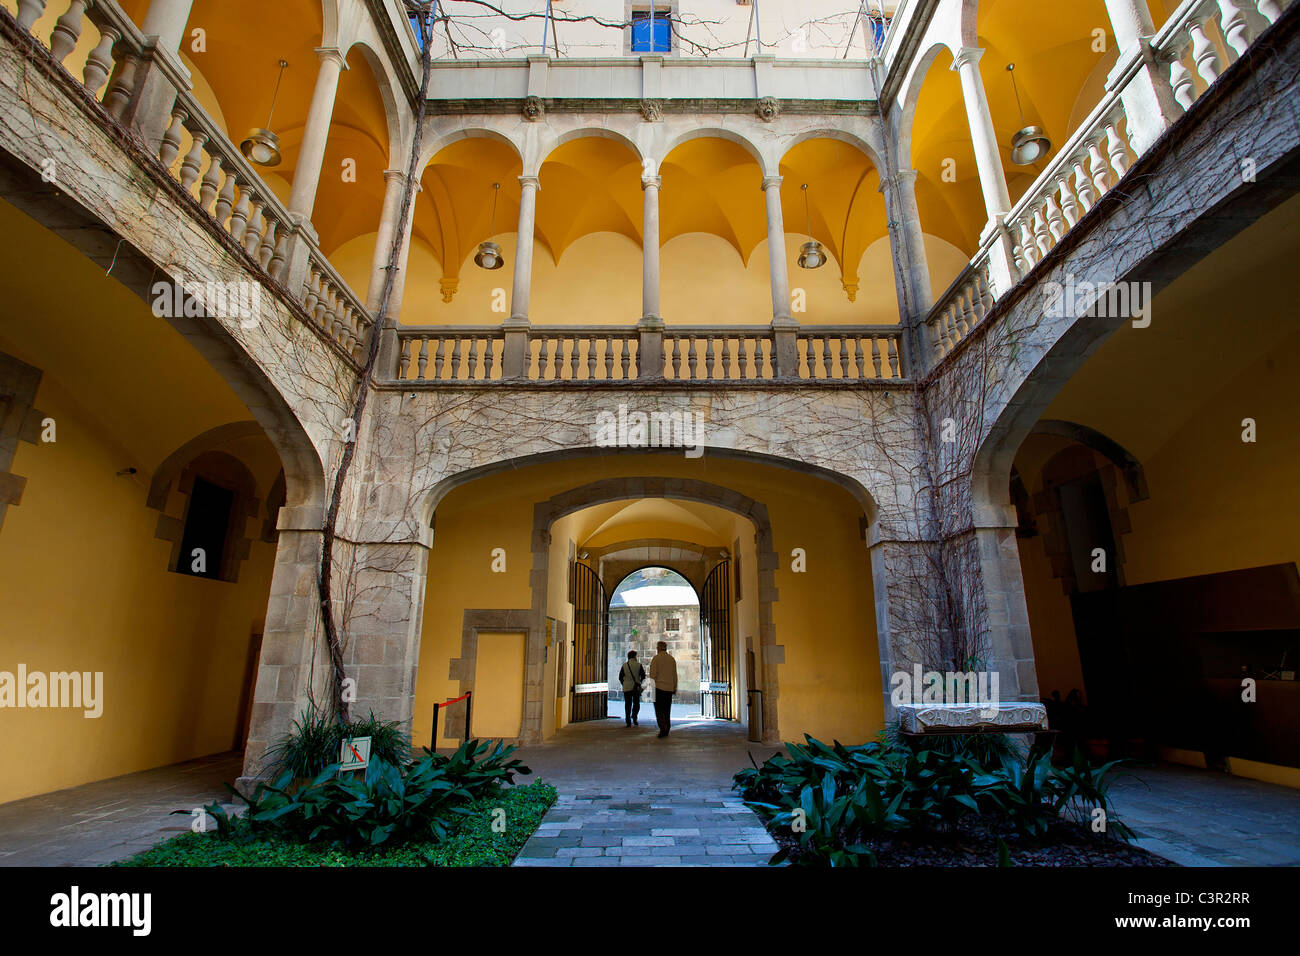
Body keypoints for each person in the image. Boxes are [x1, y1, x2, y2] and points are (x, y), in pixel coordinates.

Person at [648, 640, 678, 738]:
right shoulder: (671, 659)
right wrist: (674, 687)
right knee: (667, 709)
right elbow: (674, 675)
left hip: (659, 688)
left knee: (659, 710)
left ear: (658, 648)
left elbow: (653, 675)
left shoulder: (656, 659)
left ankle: (662, 728)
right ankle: (667, 727)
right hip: (669, 688)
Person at [619, 650, 645, 727]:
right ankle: (634, 717)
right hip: (635, 687)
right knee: (636, 703)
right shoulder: (639, 665)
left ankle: (628, 720)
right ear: (635, 656)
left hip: (627, 687)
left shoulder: (624, 665)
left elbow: (620, 677)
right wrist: (640, 684)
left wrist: (624, 683)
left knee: (628, 704)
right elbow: (643, 676)